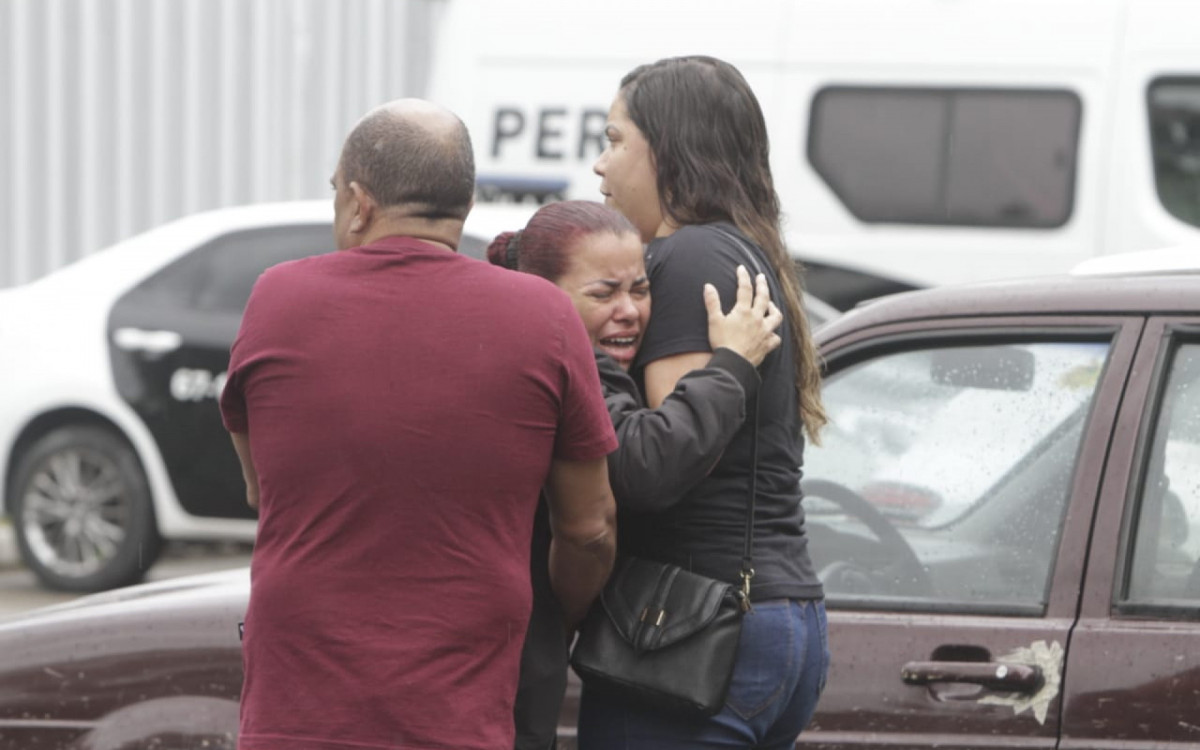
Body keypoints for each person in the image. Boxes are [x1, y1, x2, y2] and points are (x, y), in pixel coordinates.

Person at [218, 99, 618, 750]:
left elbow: (263, 489)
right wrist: (549, 619)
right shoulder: (542, 316)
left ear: (357, 201)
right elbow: (590, 528)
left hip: (299, 709)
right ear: (462, 204)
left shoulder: (278, 298)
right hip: (462, 709)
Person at [582, 56, 832, 749]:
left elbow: (665, 459)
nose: (599, 166)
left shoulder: (690, 258)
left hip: (692, 629)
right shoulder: (742, 252)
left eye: (613, 139)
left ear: (668, 148)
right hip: (763, 618)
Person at [487, 200, 784, 750]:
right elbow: (642, 467)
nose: (629, 311)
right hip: (503, 672)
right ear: (542, 296)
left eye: (641, 291)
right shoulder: (563, 362)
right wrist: (732, 366)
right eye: (604, 293)